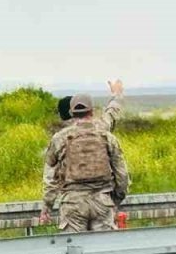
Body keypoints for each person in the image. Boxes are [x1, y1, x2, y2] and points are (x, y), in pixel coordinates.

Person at [39, 90, 130, 234]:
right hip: (103, 201)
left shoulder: (60, 138)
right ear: (92, 111)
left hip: (72, 204)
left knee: (74, 250)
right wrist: (115, 199)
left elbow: (50, 177)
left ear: (72, 112)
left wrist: (47, 206)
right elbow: (122, 174)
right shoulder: (106, 136)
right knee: (104, 250)